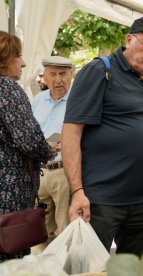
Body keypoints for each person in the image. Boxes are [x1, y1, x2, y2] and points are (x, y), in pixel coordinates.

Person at [61, 15, 143, 256]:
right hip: (101, 201)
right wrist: (77, 192)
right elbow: (71, 132)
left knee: (137, 268)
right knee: (90, 269)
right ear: (128, 39)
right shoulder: (100, 70)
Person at [0, 31, 54, 262]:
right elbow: (29, 140)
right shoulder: (7, 88)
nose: (22, 63)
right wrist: (49, 149)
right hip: (8, 193)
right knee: (11, 258)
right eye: (17, 56)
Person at [31, 56, 73, 253]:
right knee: (38, 232)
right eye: (53, 74)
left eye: (63, 74)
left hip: (64, 172)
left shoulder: (78, 101)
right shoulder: (37, 101)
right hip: (39, 173)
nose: (58, 79)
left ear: (71, 75)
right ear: (45, 76)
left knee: (67, 230)